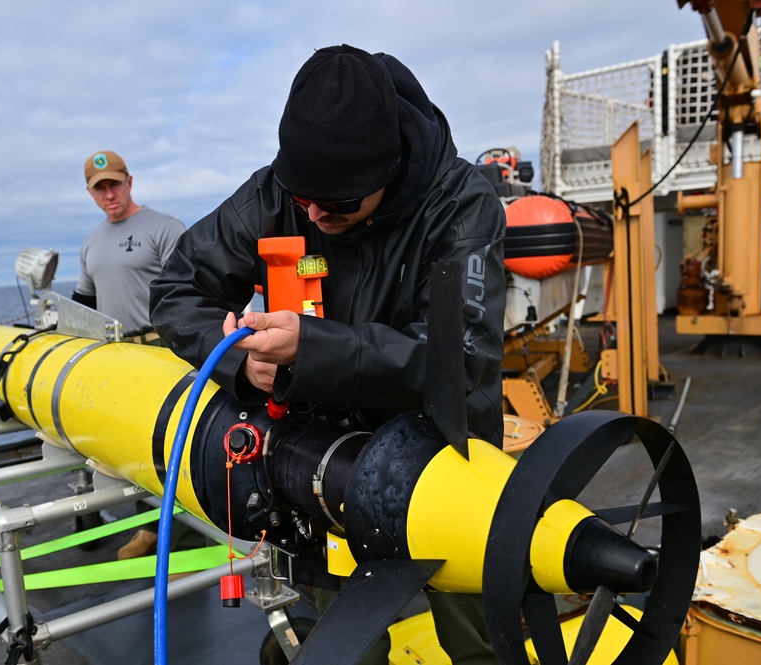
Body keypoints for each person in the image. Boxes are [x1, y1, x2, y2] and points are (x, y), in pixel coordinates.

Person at [150, 45, 504, 663]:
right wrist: (241, 362)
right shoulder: (279, 192)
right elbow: (178, 288)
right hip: (315, 459)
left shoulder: (462, 207)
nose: (313, 214)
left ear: (386, 172)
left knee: (473, 637)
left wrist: (310, 350)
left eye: (337, 204)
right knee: (343, 644)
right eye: (302, 195)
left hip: (445, 452)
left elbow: (459, 358)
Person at [72, 149, 196, 560]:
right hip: (115, 354)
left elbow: (188, 288)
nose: (109, 194)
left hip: (162, 350)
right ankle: (149, 529)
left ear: (130, 181)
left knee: (170, 444)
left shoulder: (163, 227)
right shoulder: (91, 242)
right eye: (99, 188)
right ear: (90, 193)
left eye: (114, 184)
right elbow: (82, 301)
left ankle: (181, 539)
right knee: (132, 446)